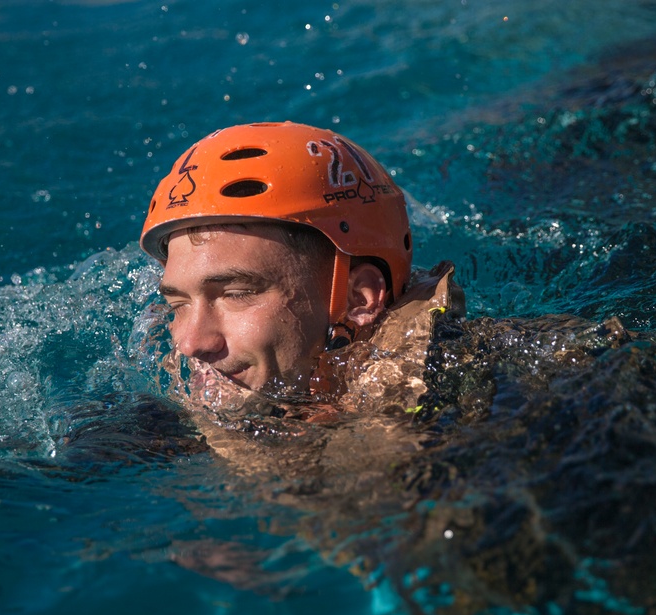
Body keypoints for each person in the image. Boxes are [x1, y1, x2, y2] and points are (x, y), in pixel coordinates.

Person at [139, 121, 465, 415]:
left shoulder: (478, 407)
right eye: (178, 303)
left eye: (235, 294)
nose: (191, 344)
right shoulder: (154, 433)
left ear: (360, 298)